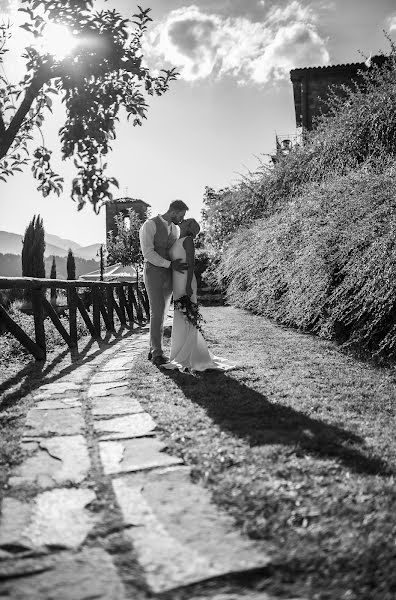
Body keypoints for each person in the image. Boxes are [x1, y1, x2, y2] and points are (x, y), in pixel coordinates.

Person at [163, 218, 235, 372]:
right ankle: (179, 353)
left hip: (185, 281)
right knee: (179, 315)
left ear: (188, 226)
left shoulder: (188, 240)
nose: (181, 220)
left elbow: (191, 264)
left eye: (185, 220)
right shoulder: (176, 239)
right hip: (177, 281)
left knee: (187, 316)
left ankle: (191, 354)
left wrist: (188, 284)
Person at [139, 200, 189, 366]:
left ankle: (152, 349)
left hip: (169, 274)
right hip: (153, 272)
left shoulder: (175, 228)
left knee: (163, 311)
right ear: (173, 211)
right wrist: (169, 264)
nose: (181, 220)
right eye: (181, 215)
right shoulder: (150, 225)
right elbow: (147, 253)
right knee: (157, 311)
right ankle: (157, 354)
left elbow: (174, 250)